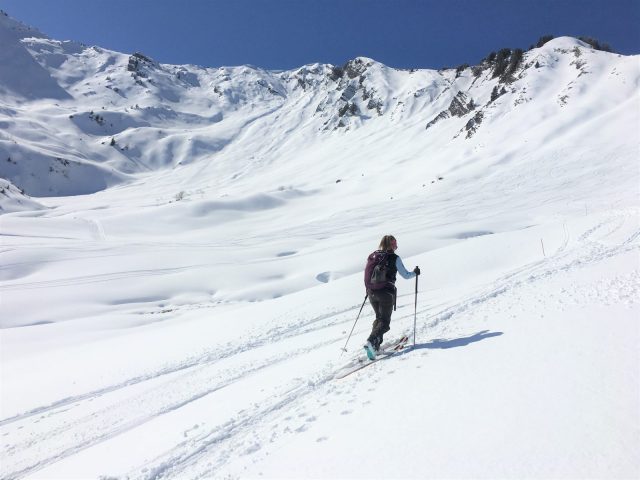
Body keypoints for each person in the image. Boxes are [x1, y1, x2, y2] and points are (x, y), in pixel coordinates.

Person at [363, 235, 420, 359]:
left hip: (371, 293)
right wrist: (415, 273)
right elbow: (405, 275)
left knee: (379, 318)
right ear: (392, 245)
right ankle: (371, 341)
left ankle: (375, 346)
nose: (396, 246)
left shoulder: (374, 256)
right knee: (385, 322)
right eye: (395, 244)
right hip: (386, 293)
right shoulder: (394, 258)